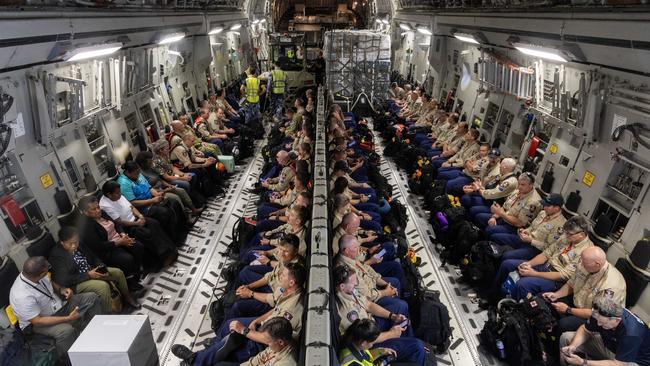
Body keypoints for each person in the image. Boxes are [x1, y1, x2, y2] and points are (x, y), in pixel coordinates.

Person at [171, 263, 306, 365]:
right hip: (269, 327)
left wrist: (244, 331)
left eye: (283, 275)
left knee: (231, 346)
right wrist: (257, 320)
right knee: (230, 325)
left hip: (268, 337)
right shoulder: (287, 291)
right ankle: (211, 349)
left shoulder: (292, 311)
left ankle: (196, 359)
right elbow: (276, 308)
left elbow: (269, 339)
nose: (279, 276)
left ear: (292, 282)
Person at [9, 256, 102, 360]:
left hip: (59, 307)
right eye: (46, 270)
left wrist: (62, 290)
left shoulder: (36, 274)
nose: (49, 269)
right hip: (38, 324)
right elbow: (38, 321)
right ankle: (70, 359)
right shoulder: (21, 295)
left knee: (91, 298)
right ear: (39, 275)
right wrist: (68, 318)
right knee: (66, 331)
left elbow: (50, 283)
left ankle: (92, 334)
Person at [334, 265, 426, 365]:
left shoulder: (349, 291)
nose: (356, 283)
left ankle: (407, 340)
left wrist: (392, 316)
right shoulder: (346, 312)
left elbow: (368, 305)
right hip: (370, 341)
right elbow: (364, 339)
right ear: (342, 286)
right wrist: (391, 334)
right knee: (417, 347)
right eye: (353, 282)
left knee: (401, 307)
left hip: (370, 328)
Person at [49, 226, 140, 313]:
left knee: (118, 273)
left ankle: (127, 297)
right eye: (70, 243)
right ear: (62, 242)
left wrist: (101, 266)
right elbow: (65, 280)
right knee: (102, 286)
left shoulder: (79, 243)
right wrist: (88, 275)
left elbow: (92, 256)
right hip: (76, 283)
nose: (74, 246)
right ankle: (108, 312)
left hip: (91, 270)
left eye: (76, 242)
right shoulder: (56, 256)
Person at [543, 246, 627, 333]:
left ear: (597, 264)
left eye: (584, 262)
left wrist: (568, 310)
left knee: (564, 325)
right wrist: (556, 295)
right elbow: (571, 283)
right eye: (581, 260)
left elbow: (597, 313)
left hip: (596, 318)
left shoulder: (611, 286)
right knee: (547, 301)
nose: (581, 264)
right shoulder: (585, 265)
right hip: (578, 301)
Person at [99, 181, 178, 271]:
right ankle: (162, 257)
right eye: (118, 193)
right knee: (146, 233)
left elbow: (131, 207)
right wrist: (137, 223)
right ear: (109, 195)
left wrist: (140, 216)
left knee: (154, 223)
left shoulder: (118, 196)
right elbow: (119, 222)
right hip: (128, 226)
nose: (120, 194)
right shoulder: (105, 205)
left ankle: (171, 250)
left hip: (136, 219)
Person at [78, 195, 144, 289]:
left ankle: (136, 272)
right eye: (94, 209)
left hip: (119, 239)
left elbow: (116, 224)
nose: (98, 210)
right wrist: (119, 242)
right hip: (107, 248)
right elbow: (98, 246)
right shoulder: (86, 227)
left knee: (138, 246)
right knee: (127, 259)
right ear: (85, 212)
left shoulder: (102, 213)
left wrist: (122, 234)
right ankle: (129, 282)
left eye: (98, 207)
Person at [560, 297, 650, 366]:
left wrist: (584, 362)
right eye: (597, 320)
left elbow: (618, 364)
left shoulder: (632, 334)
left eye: (603, 323)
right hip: (611, 345)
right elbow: (585, 329)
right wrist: (573, 346)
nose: (598, 324)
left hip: (631, 360)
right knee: (566, 338)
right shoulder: (600, 313)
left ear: (617, 320)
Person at [117, 160, 189, 244]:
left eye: (138, 172)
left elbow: (149, 188)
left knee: (174, 203)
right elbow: (132, 203)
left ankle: (183, 230)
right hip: (142, 208)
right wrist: (152, 200)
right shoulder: (123, 183)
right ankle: (174, 239)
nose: (138, 175)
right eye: (136, 173)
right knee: (165, 212)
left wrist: (157, 195)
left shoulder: (138, 175)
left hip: (152, 199)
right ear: (128, 172)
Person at [491, 193, 566, 261]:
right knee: (495, 237)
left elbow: (548, 247)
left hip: (535, 249)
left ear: (557, 208)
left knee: (506, 256)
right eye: (544, 204)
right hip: (525, 239)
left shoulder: (560, 225)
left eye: (548, 206)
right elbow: (532, 227)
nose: (545, 207)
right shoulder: (543, 213)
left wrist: (531, 241)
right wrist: (525, 231)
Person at [472, 172, 542, 236]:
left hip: (514, 227)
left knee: (490, 230)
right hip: (503, 217)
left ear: (531, 185)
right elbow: (505, 206)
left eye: (523, 185)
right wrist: (494, 217)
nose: (519, 187)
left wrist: (501, 214)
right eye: (519, 183)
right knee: (479, 217)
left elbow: (520, 223)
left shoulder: (533, 202)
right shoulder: (517, 191)